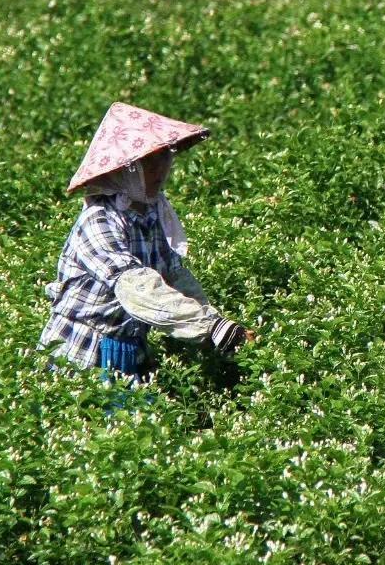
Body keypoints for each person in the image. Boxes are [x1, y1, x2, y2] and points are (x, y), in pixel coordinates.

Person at [38, 102, 252, 384]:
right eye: (151, 161)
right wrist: (209, 327)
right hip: (81, 354)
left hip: (130, 350)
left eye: (165, 158)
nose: (162, 169)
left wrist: (217, 326)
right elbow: (136, 288)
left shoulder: (151, 213)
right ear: (126, 170)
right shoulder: (99, 220)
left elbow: (174, 276)